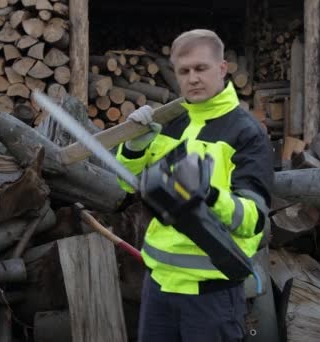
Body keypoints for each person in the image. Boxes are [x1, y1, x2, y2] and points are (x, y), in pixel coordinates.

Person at [116, 29, 274, 342]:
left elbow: (255, 220)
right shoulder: (170, 122)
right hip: (158, 286)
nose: (193, 79)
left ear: (222, 68)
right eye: (184, 71)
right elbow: (124, 183)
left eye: (201, 68)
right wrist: (134, 146)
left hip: (212, 293)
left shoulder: (246, 134)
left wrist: (209, 196)